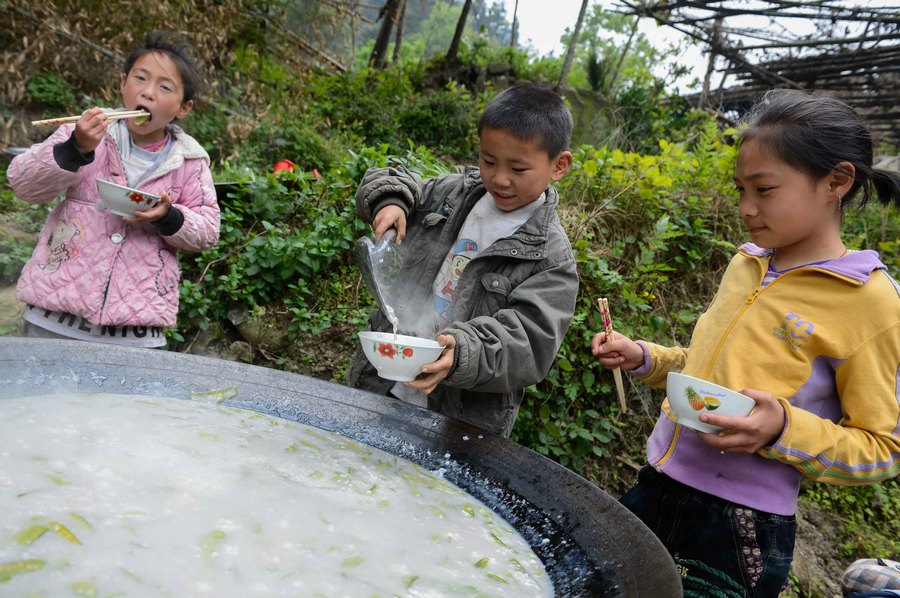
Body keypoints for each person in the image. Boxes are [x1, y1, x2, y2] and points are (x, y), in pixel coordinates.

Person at [591, 88, 900, 596]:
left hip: (740, 528)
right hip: (658, 489)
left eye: (764, 189)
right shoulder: (747, 263)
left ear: (836, 182)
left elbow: (882, 448)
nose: (746, 207)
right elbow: (711, 373)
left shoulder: (870, 302)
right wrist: (646, 358)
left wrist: (782, 428)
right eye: (740, 189)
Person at [346, 84, 578, 438]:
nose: (499, 178)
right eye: (488, 161)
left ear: (559, 165)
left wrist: (463, 352)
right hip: (384, 385)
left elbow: (529, 343)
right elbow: (391, 177)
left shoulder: (550, 257)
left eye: (518, 168)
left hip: (458, 422)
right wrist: (390, 201)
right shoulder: (450, 196)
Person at [8, 30, 220, 347]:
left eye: (165, 87)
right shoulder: (82, 132)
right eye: (140, 78)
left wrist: (168, 217)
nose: (148, 93)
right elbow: (23, 184)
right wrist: (74, 150)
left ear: (183, 107)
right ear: (123, 83)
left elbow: (208, 231)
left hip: (134, 332)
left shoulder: (189, 161)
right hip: (53, 316)